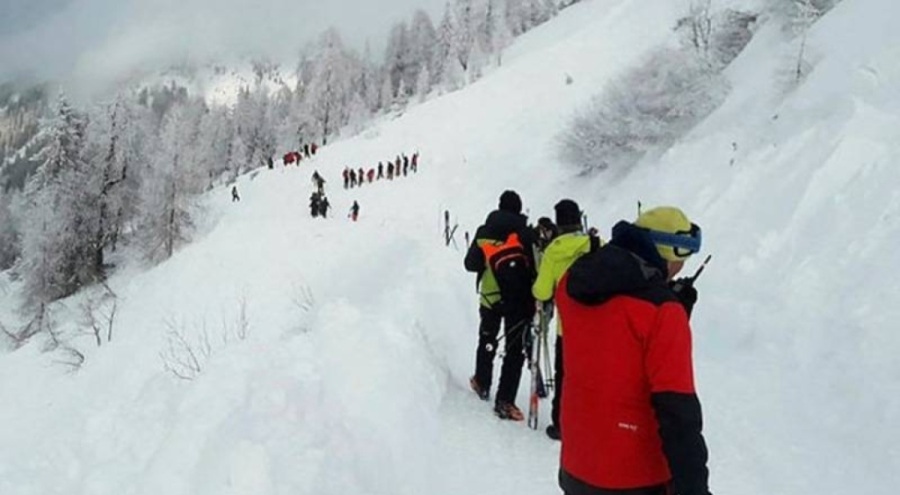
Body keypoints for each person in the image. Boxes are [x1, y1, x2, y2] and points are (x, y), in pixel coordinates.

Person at [556, 206, 710, 495]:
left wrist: (666, 302)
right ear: (670, 252)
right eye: (684, 257)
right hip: (636, 477)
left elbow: (609, 343)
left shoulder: (570, 284)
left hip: (577, 464)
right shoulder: (662, 312)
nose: (683, 268)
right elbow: (678, 413)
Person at [464, 190, 538, 421]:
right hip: (518, 298)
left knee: (488, 339)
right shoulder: (526, 234)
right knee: (514, 350)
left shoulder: (484, 232)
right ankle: (505, 401)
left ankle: (482, 382)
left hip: (490, 296)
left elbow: (471, 264)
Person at [531, 199, 600, 441]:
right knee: (593, 374)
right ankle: (593, 421)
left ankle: (561, 424)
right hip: (598, 323)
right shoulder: (594, 244)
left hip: (567, 326)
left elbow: (542, 291)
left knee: (565, 375)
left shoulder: (553, 251)